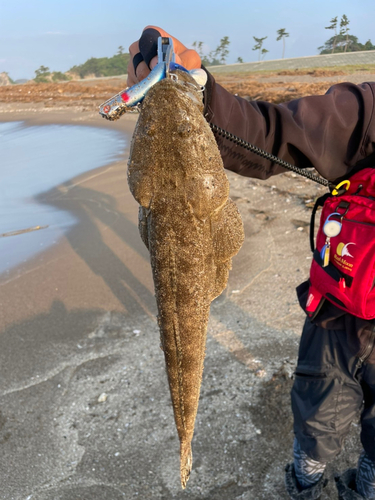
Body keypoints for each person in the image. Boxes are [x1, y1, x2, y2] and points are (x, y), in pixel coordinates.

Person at [128, 26, 375, 500]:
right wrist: (202, 92)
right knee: (318, 409)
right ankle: (305, 477)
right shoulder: (368, 114)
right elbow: (278, 131)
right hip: (339, 307)